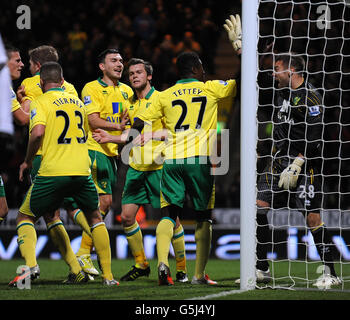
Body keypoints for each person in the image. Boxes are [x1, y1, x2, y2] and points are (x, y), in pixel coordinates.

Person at [125, 46, 237, 286]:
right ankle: (198, 275)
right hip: (200, 160)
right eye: (202, 67)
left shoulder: (165, 95)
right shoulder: (210, 88)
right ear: (196, 69)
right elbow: (239, 83)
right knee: (203, 218)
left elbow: (138, 122)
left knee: (168, 216)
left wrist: (128, 138)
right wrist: (241, 53)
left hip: (172, 161)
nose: (204, 71)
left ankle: (163, 262)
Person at [9, 62, 118, 286]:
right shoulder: (78, 103)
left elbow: (37, 132)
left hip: (53, 171)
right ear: (62, 81)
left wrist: (27, 161)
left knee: (25, 216)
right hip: (81, 171)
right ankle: (108, 276)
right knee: (96, 218)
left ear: (41, 82)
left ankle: (30, 266)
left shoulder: (41, 101)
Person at [92, 58, 188, 283]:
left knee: (172, 220)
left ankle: (182, 269)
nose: (134, 76)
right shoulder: (132, 104)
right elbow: (131, 136)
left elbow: (172, 132)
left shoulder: (162, 99)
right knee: (126, 217)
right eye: (131, 73)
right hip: (135, 168)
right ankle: (141, 264)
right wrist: (113, 138)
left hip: (159, 167)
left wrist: (148, 136)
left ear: (149, 76)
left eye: (139, 72)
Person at [76, 48, 133, 276]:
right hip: (94, 149)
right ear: (102, 66)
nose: (120, 64)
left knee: (104, 205)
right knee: (104, 202)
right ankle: (82, 253)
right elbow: (92, 120)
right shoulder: (91, 88)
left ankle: (82, 254)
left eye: (121, 61)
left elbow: (129, 124)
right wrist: (119, 128)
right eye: (114, 61)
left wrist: (120, 141)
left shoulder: (127, 91)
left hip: (111, 153)